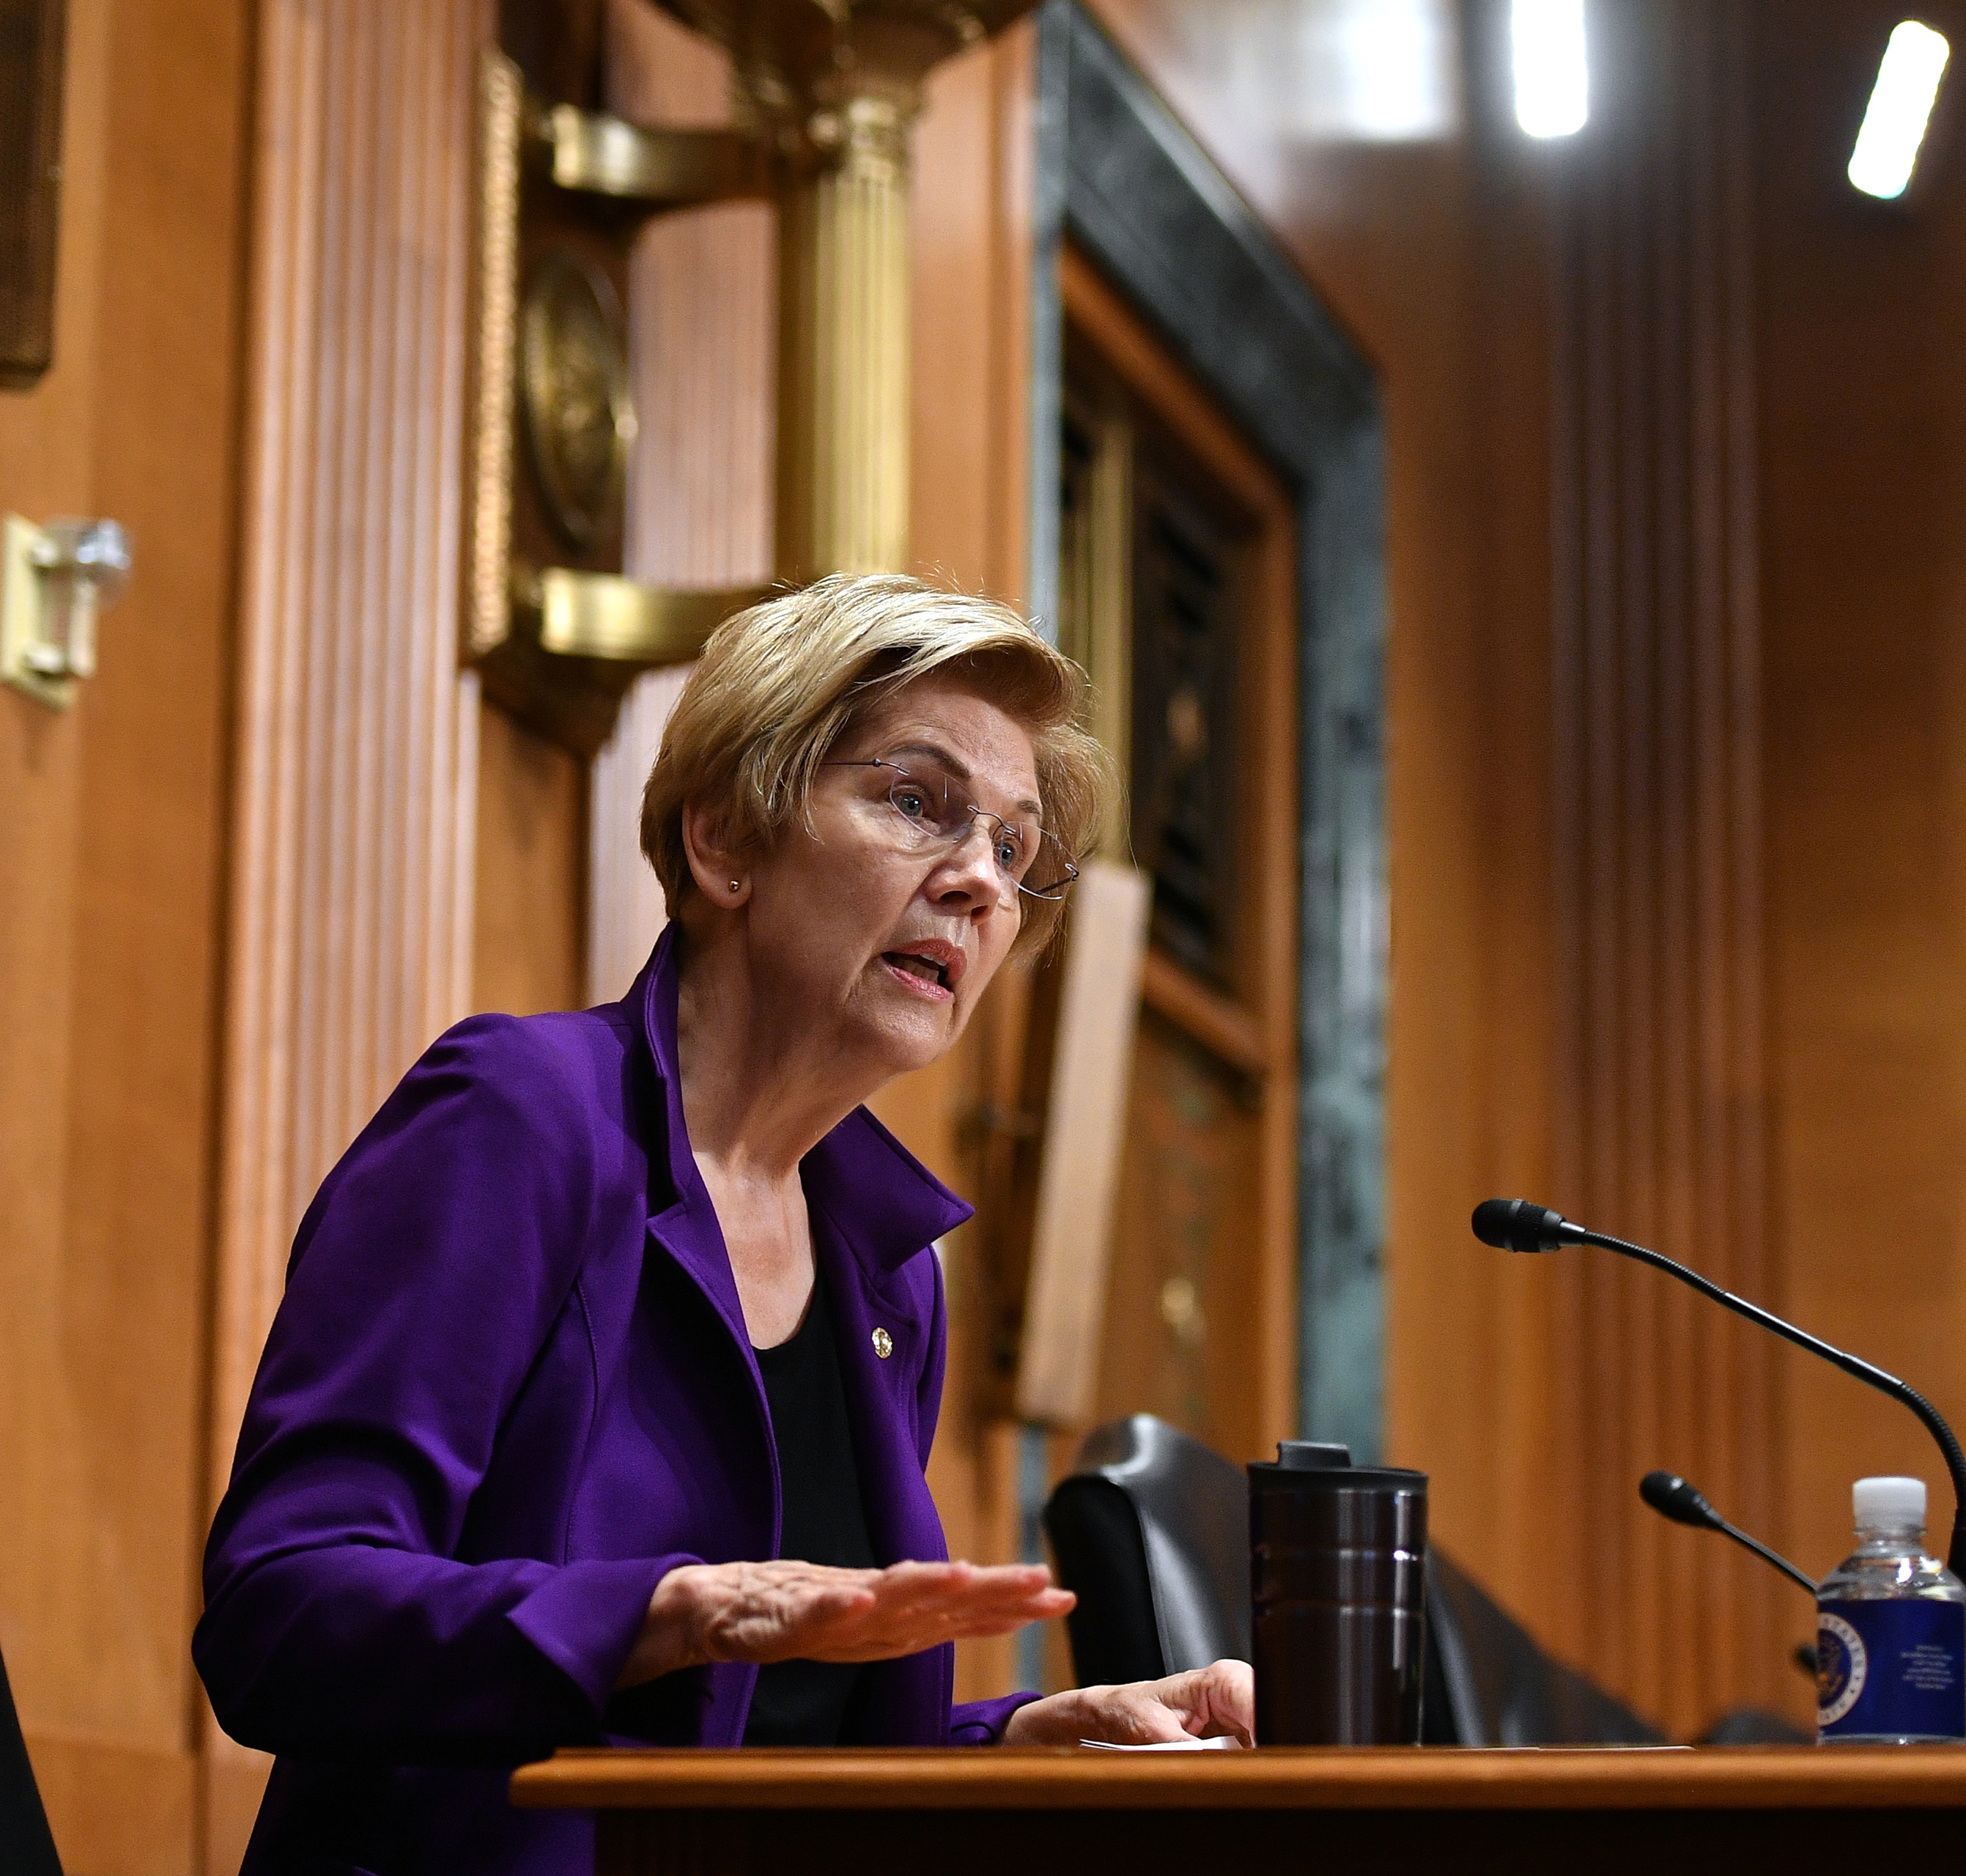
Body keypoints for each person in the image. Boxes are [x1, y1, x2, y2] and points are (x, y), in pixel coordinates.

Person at [196, 575, 1254, 1876]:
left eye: (1015, 850)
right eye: (918, 802)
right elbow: (280, 1613)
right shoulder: (524, 1123)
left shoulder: (888, 1269)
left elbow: (788, 1754)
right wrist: (661, 1614)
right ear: (725, 841)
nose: (980, 881)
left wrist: (1021, 1740)